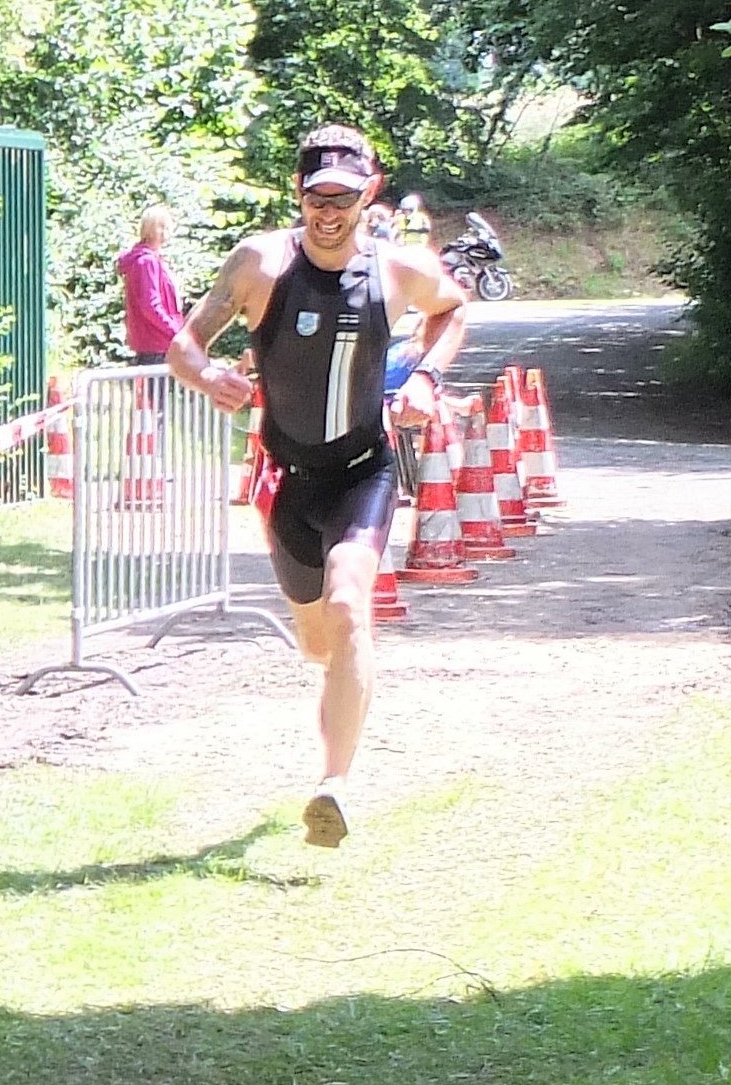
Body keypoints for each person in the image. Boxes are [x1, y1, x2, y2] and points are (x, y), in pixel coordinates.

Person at [167, 123, 470, 847]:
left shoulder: (399, 269)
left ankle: (332, 786)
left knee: (348, 605)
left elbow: (453, 308)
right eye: (315, 199)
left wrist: (425, 378)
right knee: (317, 640)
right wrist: (207, 376)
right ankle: (342, 681)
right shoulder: (260, 263)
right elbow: (184, 342)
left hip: (363, 471)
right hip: (286, 481)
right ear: (298, 194)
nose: (328, 214)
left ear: (369, 194)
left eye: (342, 199)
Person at [116, 206, 183, 365]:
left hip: (156, 343)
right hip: (157, 345)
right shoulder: (147, 261)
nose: (164, 232)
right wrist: (176, 331)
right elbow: (150, 306)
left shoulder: (149, 259)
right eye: (160, 226)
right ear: (148, 229)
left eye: (166, 226)